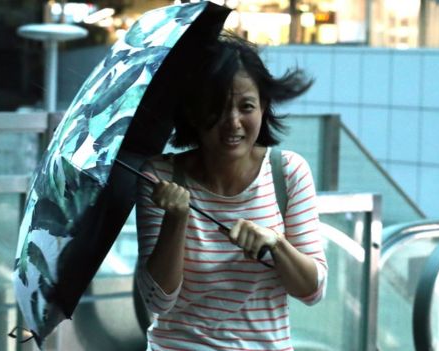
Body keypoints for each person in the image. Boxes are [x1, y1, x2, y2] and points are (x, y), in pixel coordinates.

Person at [135, 31, 328, 351]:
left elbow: (313, 291)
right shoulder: (160, 176)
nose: (233, 122)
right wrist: (176, 219)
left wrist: (276, 245)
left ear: (264, 107)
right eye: (218, 107)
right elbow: (158, 302)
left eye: (246, 106)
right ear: (194, 112)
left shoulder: (289, 172)